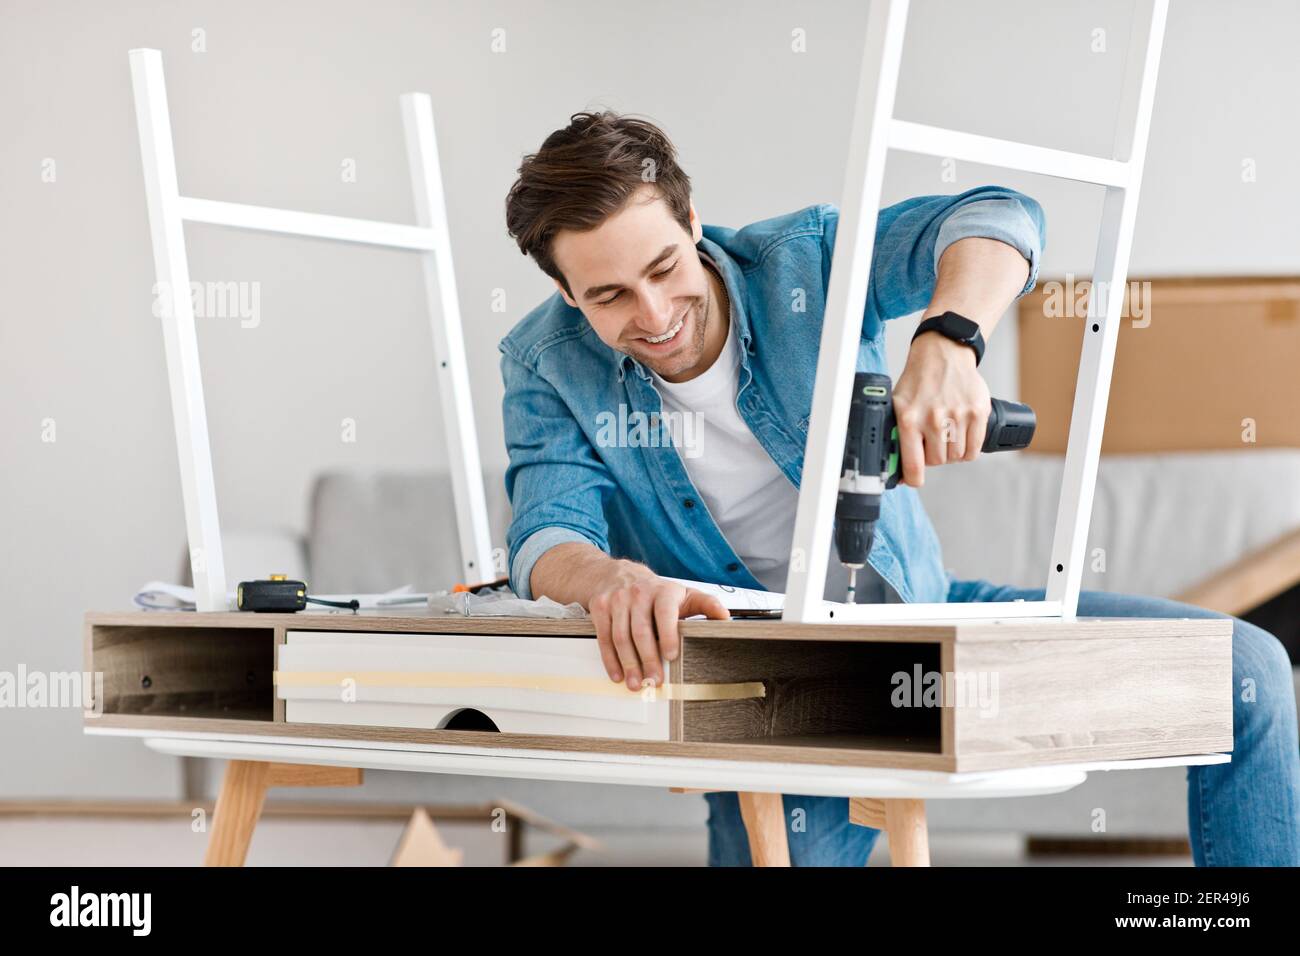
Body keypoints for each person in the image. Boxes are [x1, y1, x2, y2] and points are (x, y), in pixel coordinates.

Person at [498, 110, 1299, 866]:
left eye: (665, 268)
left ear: (692, 221)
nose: (655, 312)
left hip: (923, 617)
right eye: (608, 296)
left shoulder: (806, 263)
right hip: (766, 686)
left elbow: (998, 215)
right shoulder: (544, 363)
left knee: (1249, 673)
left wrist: (950, 342)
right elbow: (545, 535)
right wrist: (609, 579)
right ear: (568, 294)